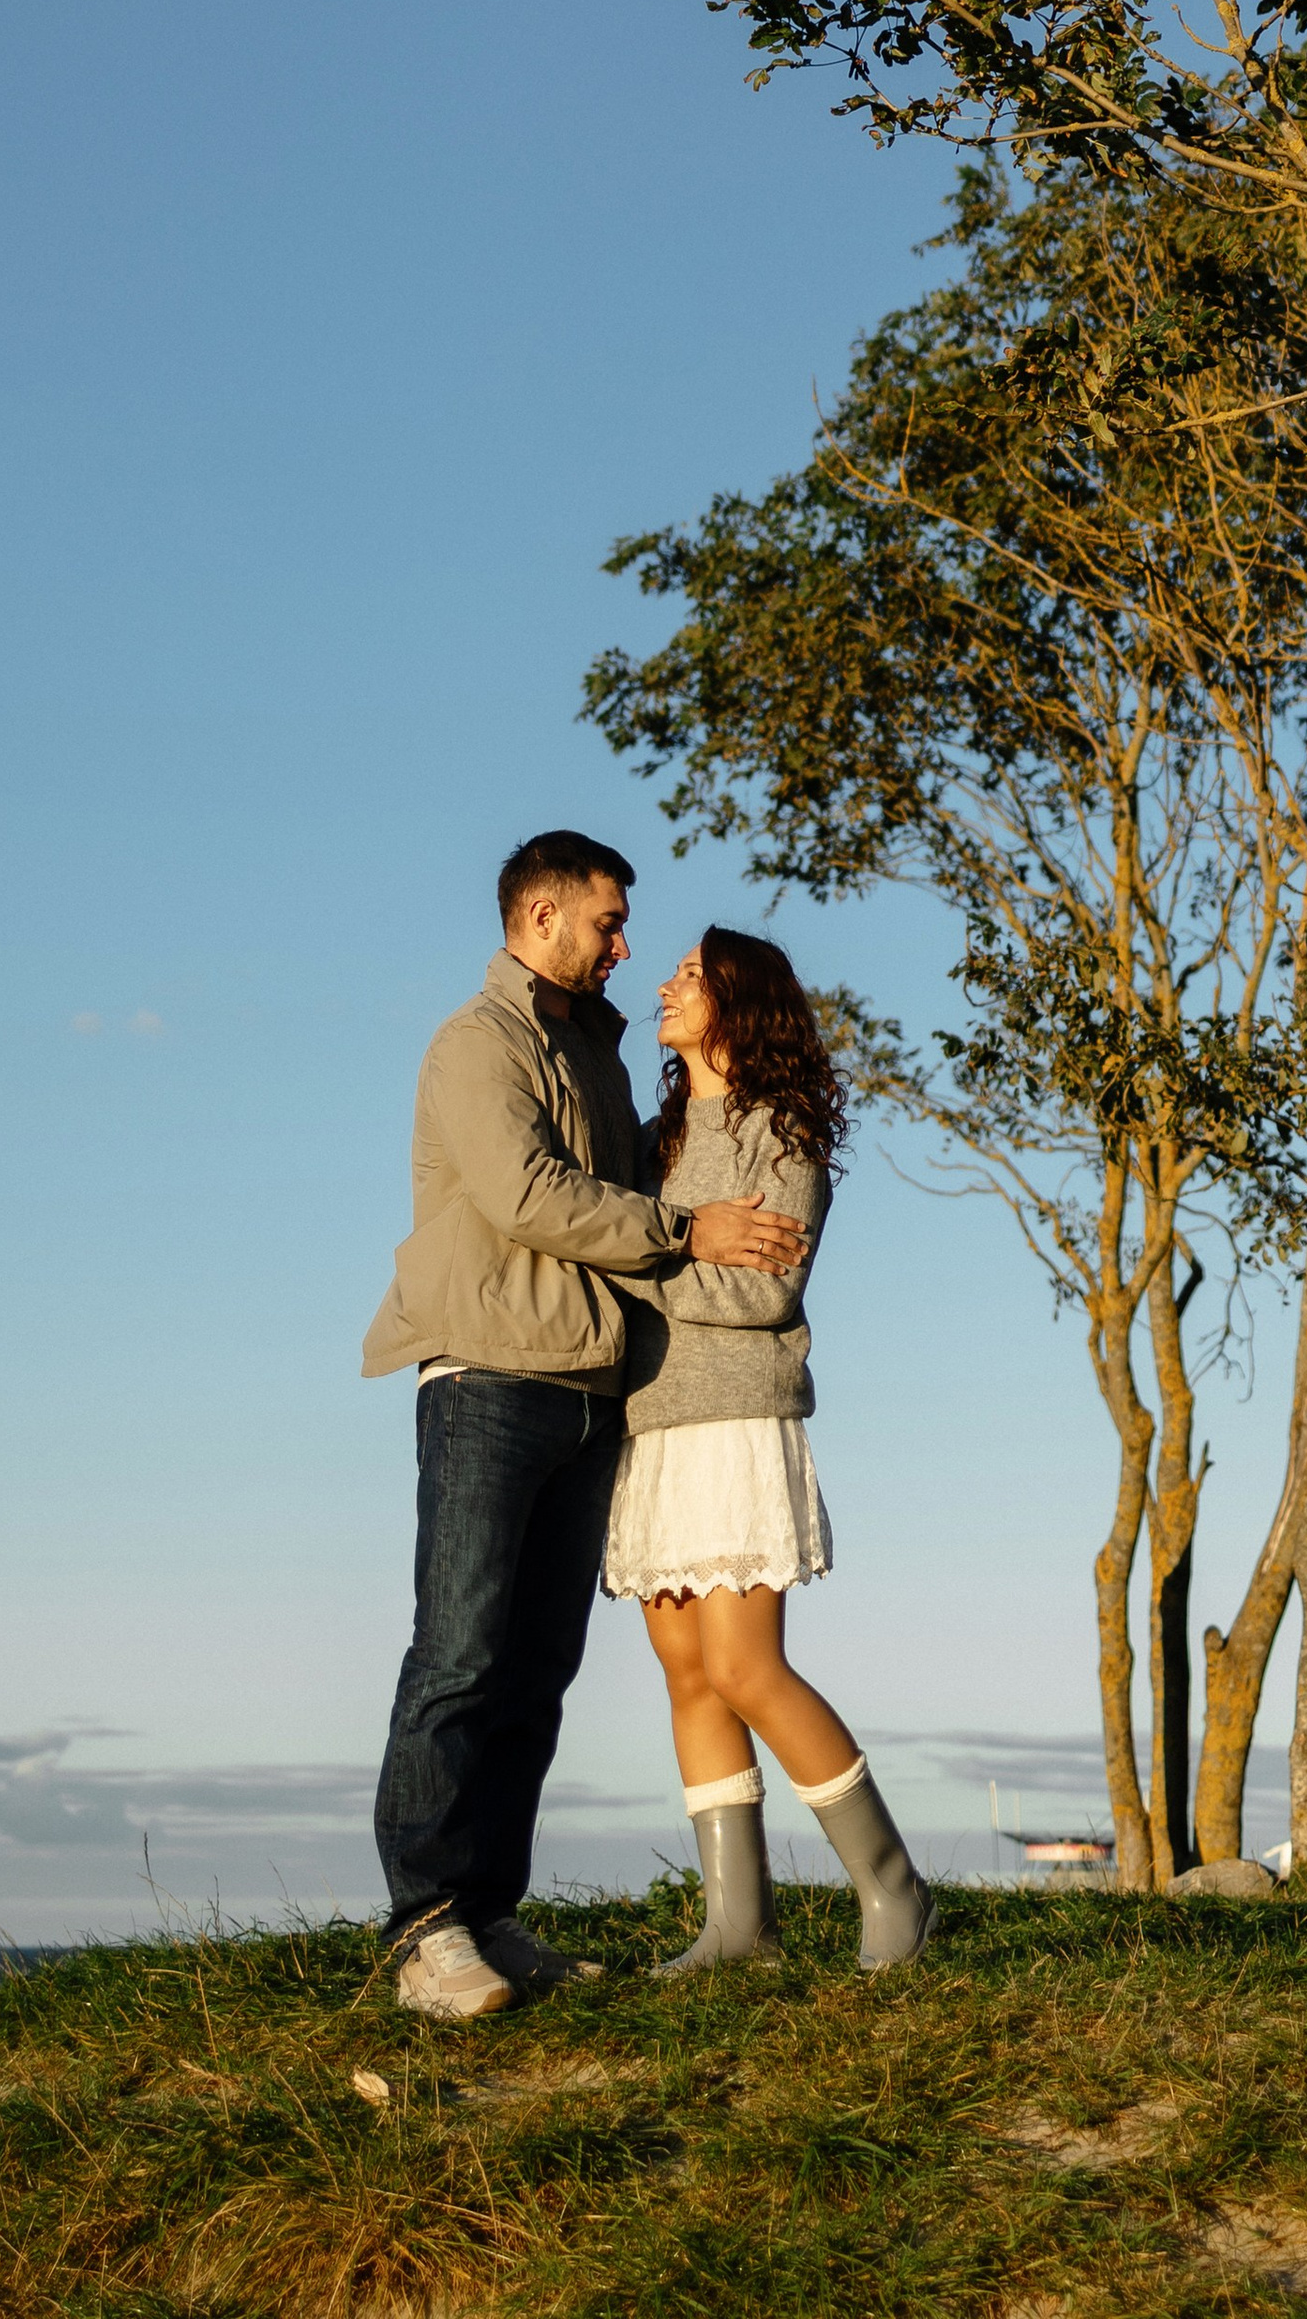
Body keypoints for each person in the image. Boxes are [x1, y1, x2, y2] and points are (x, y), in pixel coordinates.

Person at [363, 833, 807, 2021]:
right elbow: (529, 1197)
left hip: (588, 1389)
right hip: (487, 1377)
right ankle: (424, 1928)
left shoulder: (596, 1055)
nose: (622, 946)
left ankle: (490, 1914)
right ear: (541, 913)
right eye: (608, 923)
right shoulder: (477, 1043)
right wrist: (690, 1234)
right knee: (459, 1651)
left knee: (538, 1668)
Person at [604, 926, 931, 1975]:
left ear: (739, 1004)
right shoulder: (652, 1145)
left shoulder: (776, 1135)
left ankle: (895, 1889)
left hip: (738, 1420)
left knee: (747, 1666)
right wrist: (679, 1240)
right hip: (648, 1422)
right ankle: (738, 1927)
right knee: (687, 1673)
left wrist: (644, 1266)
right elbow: (652, 1251)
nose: (667, 983)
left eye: (692, 975)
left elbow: (760, 1292)